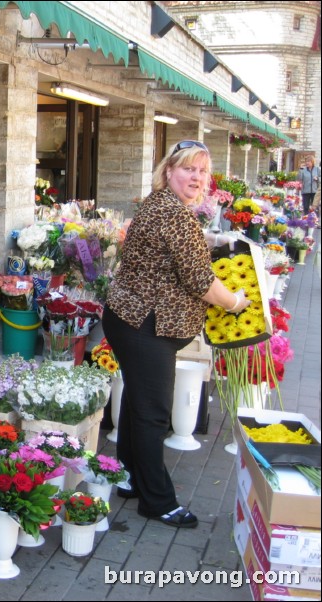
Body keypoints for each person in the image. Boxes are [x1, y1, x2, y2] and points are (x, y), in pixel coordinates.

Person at [102, 140, 251, 529]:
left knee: (139, 403)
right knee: (153, 415)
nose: (196, 178)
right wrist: (234, 302)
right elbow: (202, 282)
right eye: (188, 169)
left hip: (130, 317)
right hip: (145, 326)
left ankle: (131, 479)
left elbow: (177, 253)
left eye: (202, 171)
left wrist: (211, 243)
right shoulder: (175, 215)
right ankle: (158, 501)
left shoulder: (159, 204)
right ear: (169, 171)